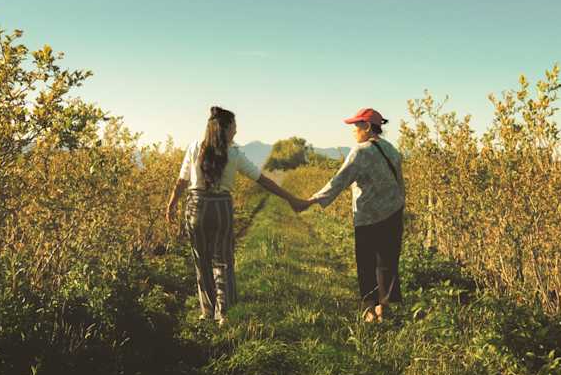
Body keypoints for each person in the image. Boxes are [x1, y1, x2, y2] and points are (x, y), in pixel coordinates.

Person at [166, 106, 303, 325]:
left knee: (201, 259)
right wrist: (291, 198)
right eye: (234, 127)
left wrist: (171, 204)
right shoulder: (234, 153)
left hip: (196, 207)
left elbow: (182, 180)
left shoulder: (194, 148)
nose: (236, 132)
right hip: (221, 207)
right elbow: (262, 180)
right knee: (223, 260)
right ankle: (224, 314)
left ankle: (207, 312)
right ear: (225, 129)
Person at [297, 108, 405, 322]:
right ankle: (386, 309)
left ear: (366, 126)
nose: (353, 131)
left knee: (366, 262)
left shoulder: (361, 151)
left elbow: (339, 180)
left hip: (368, 217)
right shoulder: (392, 150)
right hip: (393, 212)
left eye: (356, 126)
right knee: (388, 262)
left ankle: (369, 309)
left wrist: (312, 200)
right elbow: (400, 182)